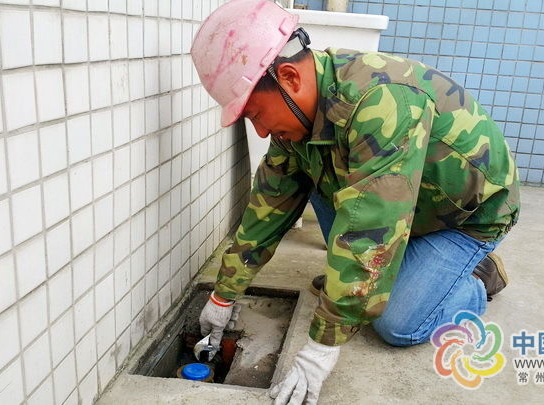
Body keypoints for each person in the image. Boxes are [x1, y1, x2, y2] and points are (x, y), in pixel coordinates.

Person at [191, 0, 520, 403]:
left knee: (396, 325)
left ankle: (476, 279)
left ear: (289, 78)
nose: (260, 131)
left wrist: (322, 345)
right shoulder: (299, 121)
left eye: (257, 114)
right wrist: (224, 293)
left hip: (466, 217)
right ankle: (405, 270)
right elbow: (269, 205)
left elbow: (371, 226)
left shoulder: (382, 102)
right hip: (403, 208)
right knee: (343, 261)